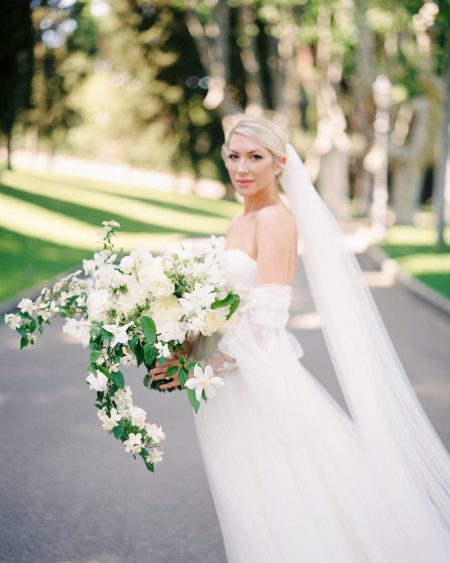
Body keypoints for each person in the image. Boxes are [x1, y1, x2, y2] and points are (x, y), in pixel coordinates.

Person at [150, 116, 450, 562]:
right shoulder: (240, 221)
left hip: (253, 380)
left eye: (255, 157)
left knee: (277, 498)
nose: (242, 168)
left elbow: (266, 320)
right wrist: (184, 346)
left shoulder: (274, 220)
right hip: (221, 382)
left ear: (279, 164)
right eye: (234, 156)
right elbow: (216, 306)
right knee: (247, 499)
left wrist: (199, 370)